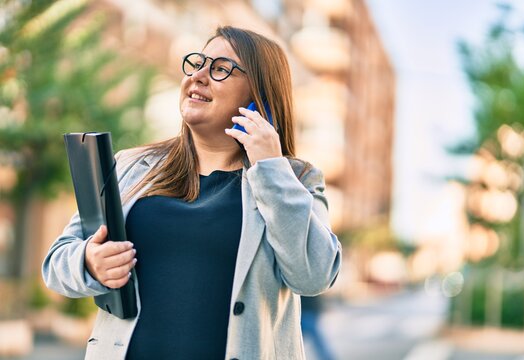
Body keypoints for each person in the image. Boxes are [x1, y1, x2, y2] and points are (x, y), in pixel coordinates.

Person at [42, 26, 342, 360]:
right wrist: (89, 262)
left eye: (220, 69)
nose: (198, 76)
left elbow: (314, 276)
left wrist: (271, 167)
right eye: (198, 63)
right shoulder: (130, 166)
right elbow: (56, 264)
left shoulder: (295, 180)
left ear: (260, 98)